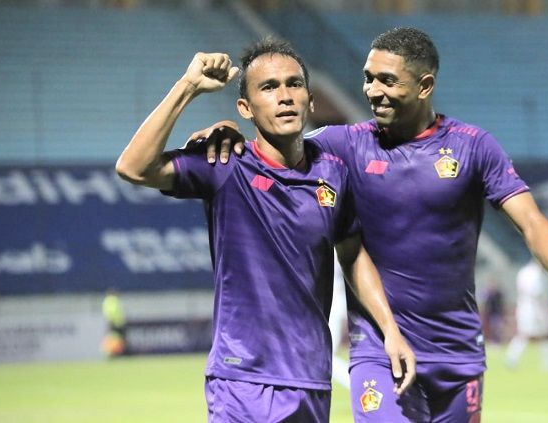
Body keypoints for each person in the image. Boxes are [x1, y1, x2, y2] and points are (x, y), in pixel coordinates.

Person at [191, 27, 548, 422]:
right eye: (368, 78)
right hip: (379, 348)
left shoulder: (473, 147)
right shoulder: (342, 145)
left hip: (457, 350)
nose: (371, 90)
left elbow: (530, 219)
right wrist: (228, 130)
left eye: (386, 80)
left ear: (424, 86)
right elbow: (273, 144)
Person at [115, 38, 415, 422]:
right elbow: (134, 167)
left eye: (293, 85)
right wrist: (187, 86)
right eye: (269, 88)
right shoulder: (225, 165)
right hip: (241, 379)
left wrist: (390, 330)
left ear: (310, 99)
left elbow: (353, 253)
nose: (285, 96)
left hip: (310, 380)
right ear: (245, 108)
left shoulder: (334, 175)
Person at [504, 259, 548, 371]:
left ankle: (511, 358)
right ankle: (547, 364)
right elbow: (536, 294)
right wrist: (542, 312)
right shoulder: (536, 274)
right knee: (540, 335)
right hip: (534, 308)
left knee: (526, 335)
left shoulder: (523, 271)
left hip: (523, 307)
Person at [101, 288, 126, 357]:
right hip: (115, 323)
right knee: (117, 339)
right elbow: (113, 312)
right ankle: (115, 353)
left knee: (112, 339)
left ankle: (112, 353)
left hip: (112, 323)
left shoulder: (106, 301)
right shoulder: (113, 300)